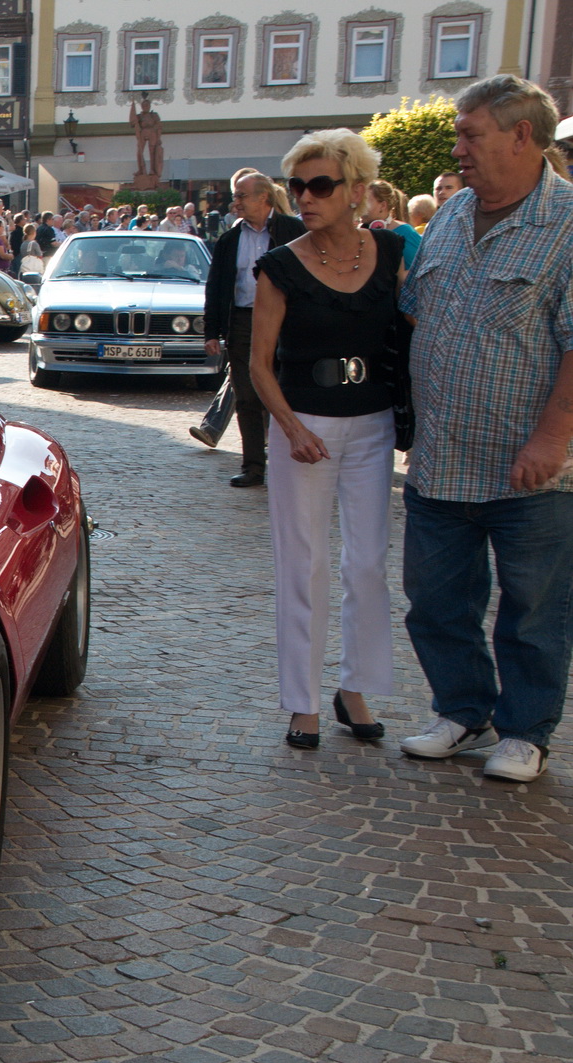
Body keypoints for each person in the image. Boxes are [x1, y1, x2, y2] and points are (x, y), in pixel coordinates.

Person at [397, 75, 573, 783]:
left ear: (520, 136)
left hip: (527, 465)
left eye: (470, 134)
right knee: (436, 600)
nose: (457, 147)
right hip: (440, 457)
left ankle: (525, 730)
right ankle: (461, 708)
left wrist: (551, 438)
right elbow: (416, 309)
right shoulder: (450, 212)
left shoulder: (566, 224)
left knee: (531, 607)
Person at [247, 129, 402, 751]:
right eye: (297, 186)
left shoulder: (388, 254)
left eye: (320, 185)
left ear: (356, 191)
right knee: (303, 564)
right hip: (303, 425)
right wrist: (290, 427)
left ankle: (355, 687)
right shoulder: (279, 266)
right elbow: (260, 364)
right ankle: (302, 702)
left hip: (374, 423)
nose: (305, 197)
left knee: (368, 564)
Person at [192, 171, 306, 480]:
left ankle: (290, 464)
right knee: (246, 395)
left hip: (285, 320)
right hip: (242, 321)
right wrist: (212, 332)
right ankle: (253, 466)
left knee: (288, 391)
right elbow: (215, 287)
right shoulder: (230, 239)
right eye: (236, 196)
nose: (235, 202)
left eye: (242, 196)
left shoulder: (293, 230)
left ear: (263, 198)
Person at [362, 179, 421, 269]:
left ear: (383, 206)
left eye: (365, 201)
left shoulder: (407, 233)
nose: (359, 206)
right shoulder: (360, 232)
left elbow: (416, 273)